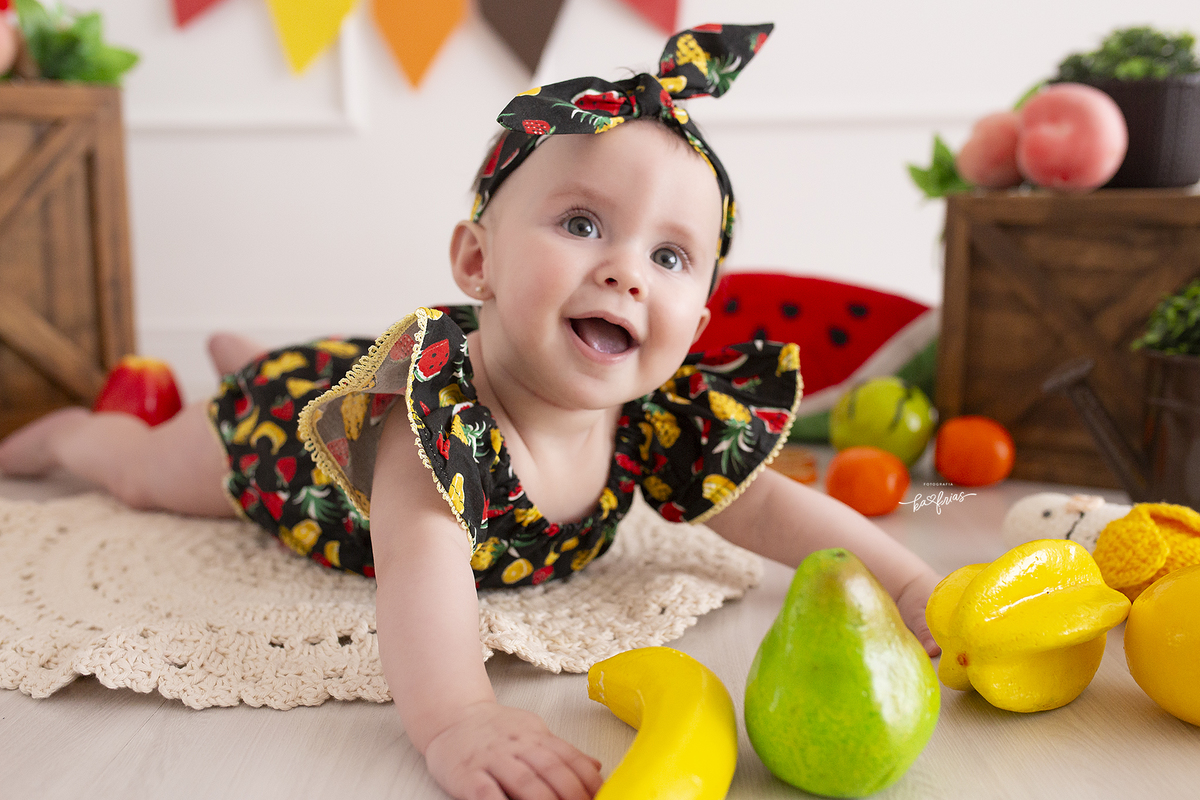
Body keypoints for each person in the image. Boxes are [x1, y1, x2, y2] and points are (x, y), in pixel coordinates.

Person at [0, 24, 941, 800]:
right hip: (283, 454)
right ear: (476, 261)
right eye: (582, 224)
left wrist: (906, 586)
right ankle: (89, 428)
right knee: (151, 476)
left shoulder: (657, 422)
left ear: (695, 325)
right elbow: (418, 566)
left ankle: (250, 355)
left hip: (352, 379)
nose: (623, 269)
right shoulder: (437, 423)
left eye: (670, 255)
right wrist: (458, 719)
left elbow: (777, 511)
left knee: (321, 364)